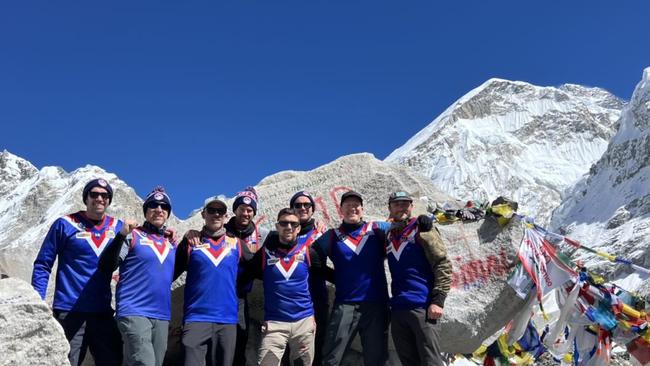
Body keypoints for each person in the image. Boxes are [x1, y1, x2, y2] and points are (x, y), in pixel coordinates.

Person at [31, 178, 123, 366]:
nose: (99, 198)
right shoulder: (65, 224)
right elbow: (43, 264)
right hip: (69, 311)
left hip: (103, 313)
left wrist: (167, 234)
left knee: (113, 360)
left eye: (104, 195)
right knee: (67, 363)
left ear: (109, 200)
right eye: (94, 194)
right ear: (86, 198)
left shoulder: (118, 227)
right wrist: (38, 302)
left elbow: (141, 246)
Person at [99, 186, 177, 366]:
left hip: (161, 315)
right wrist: (121, 234)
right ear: (146, 210)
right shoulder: (133, 235)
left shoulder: (171, 243)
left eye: (164, 207)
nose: (159, 209)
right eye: (153, 205)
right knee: (144, 362)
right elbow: (107, 265)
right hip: (134, 310)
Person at [241, 208, 325, 365]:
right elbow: (246, 273)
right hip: (275, 325)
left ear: (299, 228)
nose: (289, 227)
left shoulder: (308, 252)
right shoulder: (266, 253)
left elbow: (325, 275)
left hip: (303, 323)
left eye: (293, 224)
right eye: (284, 223)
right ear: (277, 226)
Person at [385, 191, 452, 366]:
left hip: (423, 307)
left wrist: (438, 300)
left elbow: (442, 263)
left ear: (412, 207)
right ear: (390, 208)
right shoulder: (388, 235)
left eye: (405, 204)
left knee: (431, 362)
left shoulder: (422, 228)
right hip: (398, 309)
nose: (401, 208)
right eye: (396, 204)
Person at [174, 198, 241, 366]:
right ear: (203, 214)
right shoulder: (190, 243)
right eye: (211, 211)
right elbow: (167, 273)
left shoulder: (237, 244)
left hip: (227, 320)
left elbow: (259, 267)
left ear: (226, 217)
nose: (216, 214)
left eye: (220, 212)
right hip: (196, 318)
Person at [225, 187, 269, 365]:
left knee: (240, 339)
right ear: (235, 210)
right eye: (242, 209)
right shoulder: (222, 230)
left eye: (250, 210)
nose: (245, 213)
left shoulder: (263, 235)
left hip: (241, 296)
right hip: (219, 293)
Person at [289, 191, 329, 365]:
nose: (303, 208)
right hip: (289, 304)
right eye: (298, 205)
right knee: (289, 356)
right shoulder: (286, 233)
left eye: (307, 205)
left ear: (313, 209)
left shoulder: (321, 233)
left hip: (316, 301)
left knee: (316, 354)